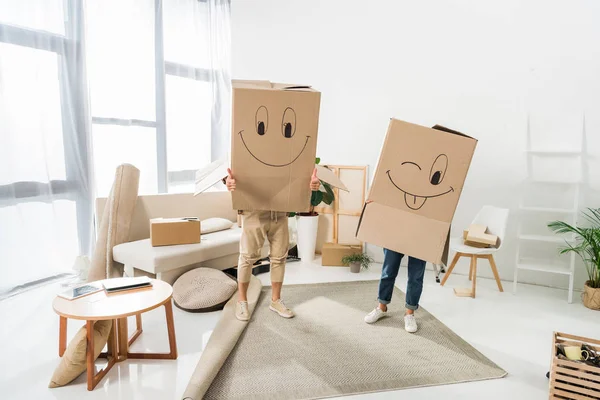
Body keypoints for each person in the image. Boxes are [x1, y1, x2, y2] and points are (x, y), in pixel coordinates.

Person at [226, 168, 321, 321]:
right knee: (247, 257)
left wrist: (312, 184)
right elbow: (233, 172)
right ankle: (241, 301)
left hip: (280, 212)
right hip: (253, 212)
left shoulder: (287, 150)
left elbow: (298, 177)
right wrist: (228, 181)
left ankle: (275, 301)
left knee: (279, 258)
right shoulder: (247, 147)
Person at [362, 203, 427, 333]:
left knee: (416, 276)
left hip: (422, 227)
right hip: (396, 224)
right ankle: (382, 307)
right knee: (389, 270)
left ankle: (409, 313)